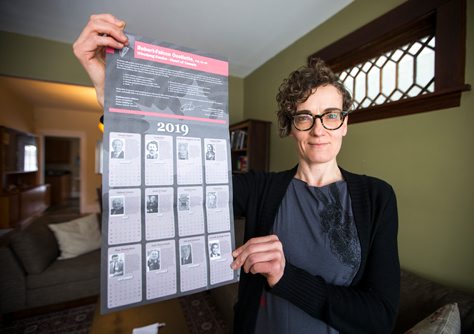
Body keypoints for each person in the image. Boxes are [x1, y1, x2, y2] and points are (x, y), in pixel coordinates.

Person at [74, 14, 399, 334]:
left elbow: (379, 317)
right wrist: (112, 95)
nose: (318, 130)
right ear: (290, 129)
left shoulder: (376, 197)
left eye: (330, 115)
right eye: (304, 117)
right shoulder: (261, 188)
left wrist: (286, 278)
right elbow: (171, 181)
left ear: (344, 123)